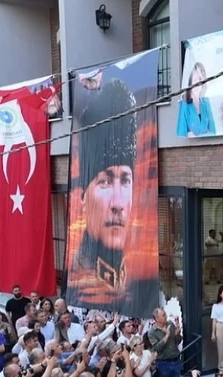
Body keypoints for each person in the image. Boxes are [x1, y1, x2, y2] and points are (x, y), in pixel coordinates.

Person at [70, 77, 155, 309]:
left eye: (125, 180)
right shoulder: (77, 281)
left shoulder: (137, 282)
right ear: (83, 198)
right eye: (105, 182)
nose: (118, 203)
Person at [176, 62, 215, 137]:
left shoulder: (206, 102)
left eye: (200, 80)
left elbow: (213, 132)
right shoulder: (184, 104)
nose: (197, 84)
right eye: (195, 80)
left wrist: (202, 135)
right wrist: (188, 135)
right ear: (190, 82)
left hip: (207, 144)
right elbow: (181, 135)